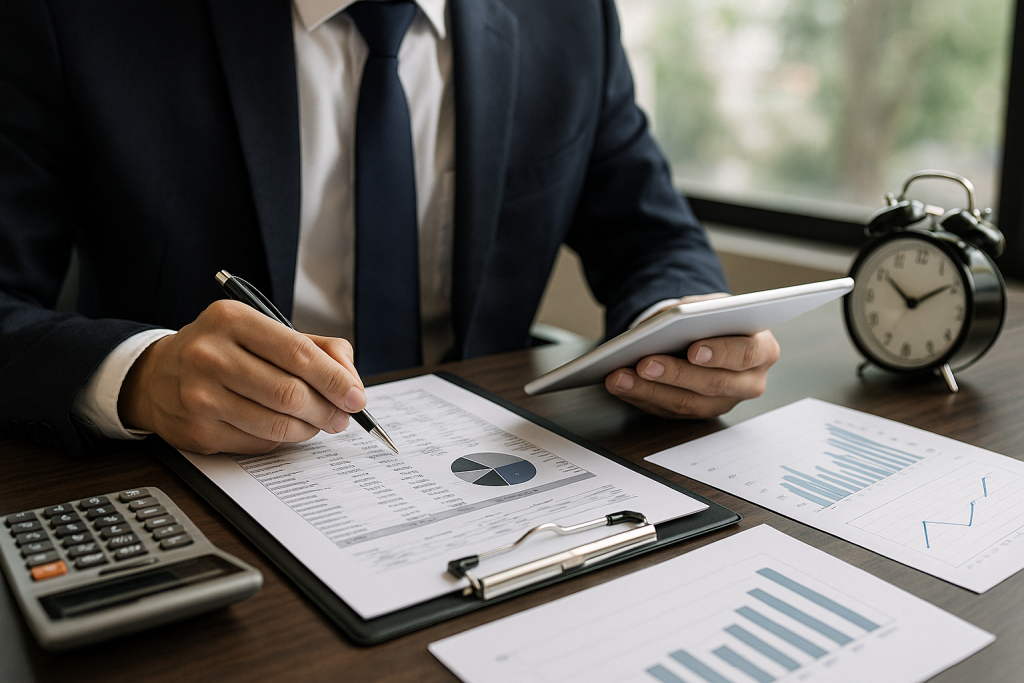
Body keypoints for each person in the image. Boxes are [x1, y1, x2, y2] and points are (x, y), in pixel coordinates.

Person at [0, 0, 779, 458]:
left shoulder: (569, 17)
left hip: (491, 474)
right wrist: (141, 376)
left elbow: (655, 238)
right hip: (199, 483)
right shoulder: (75, 18)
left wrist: (686, 337)